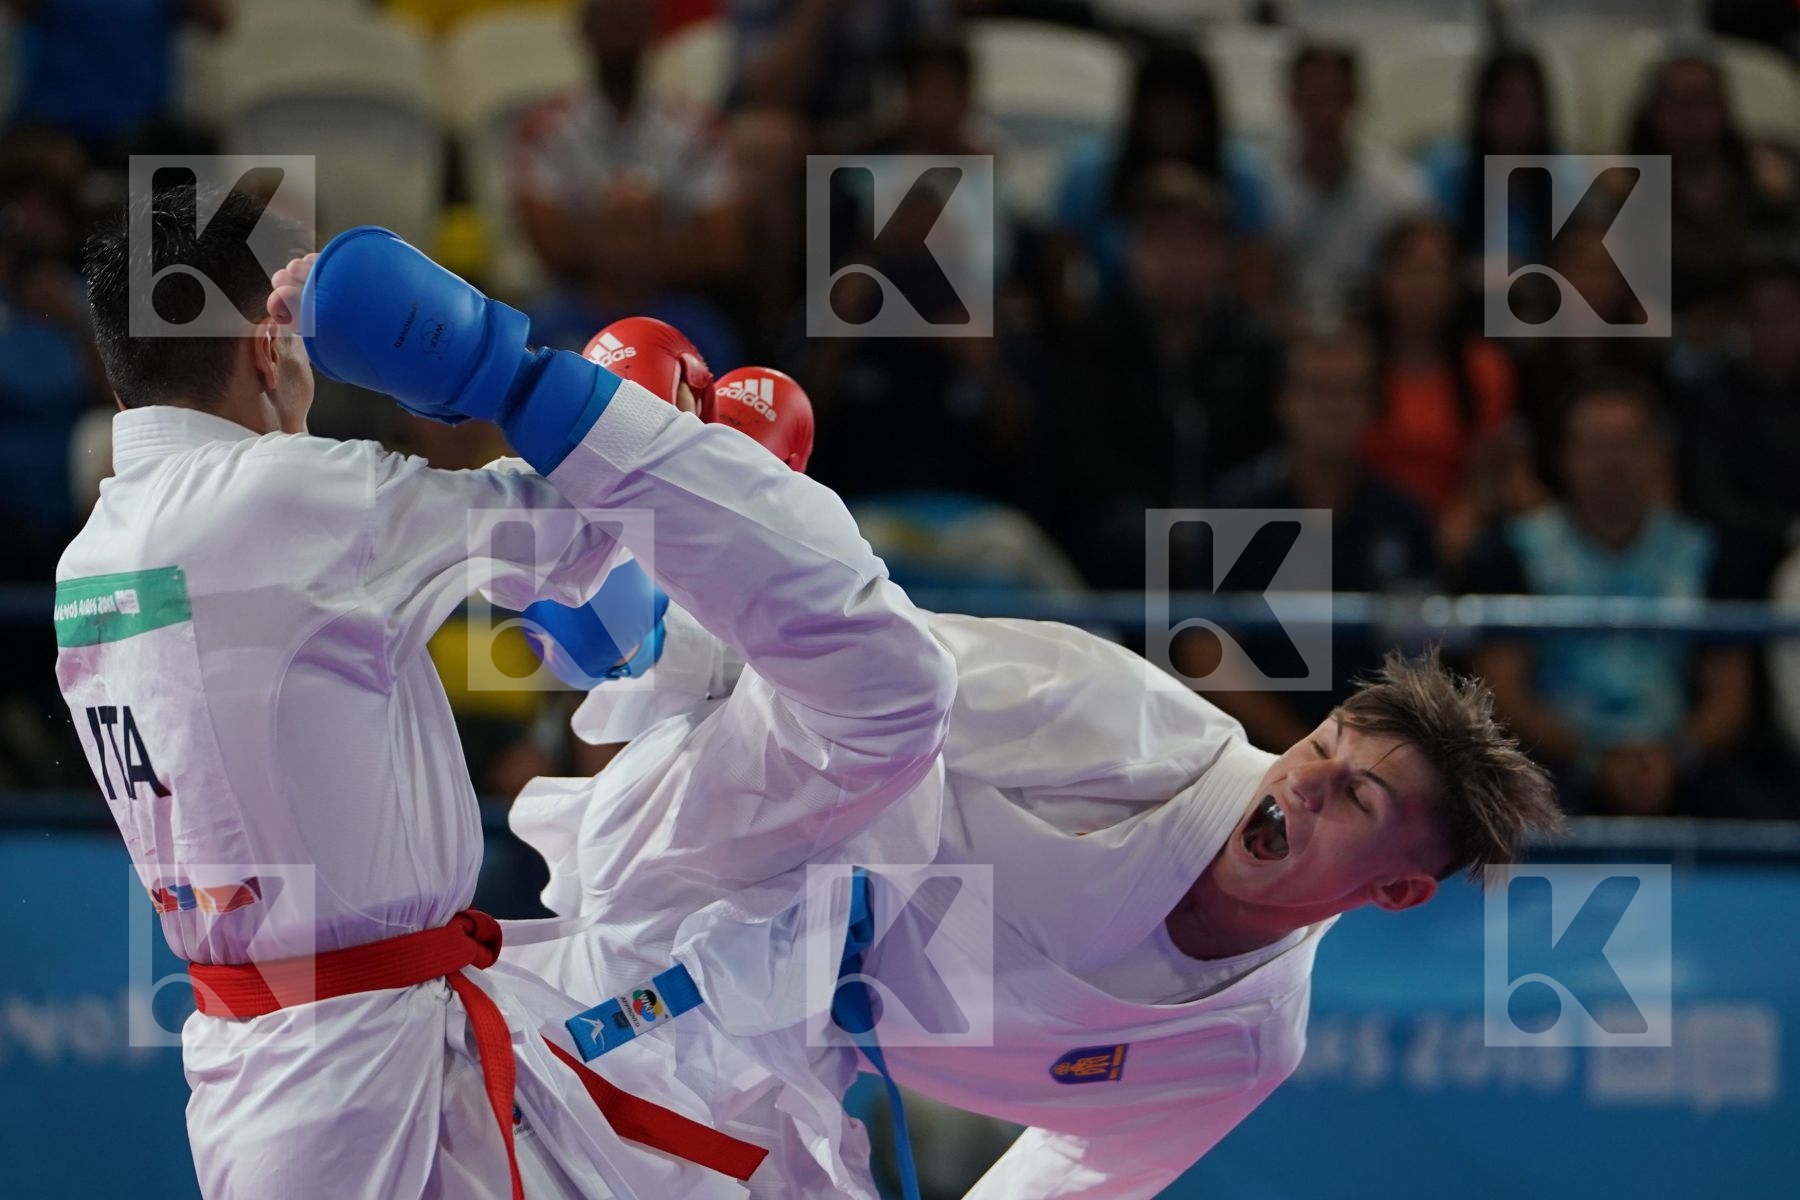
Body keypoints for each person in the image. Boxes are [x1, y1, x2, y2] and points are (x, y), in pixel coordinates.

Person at [333, 290, 1568, 1197]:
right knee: (890, 688)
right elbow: (850, 674)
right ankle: (605, 521)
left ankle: (656, 536)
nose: (1308, 782)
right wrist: (675, 631)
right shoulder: (1132, 731)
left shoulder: (1243, 1043)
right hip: (738, 833)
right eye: (1327, 749)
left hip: (794, 1039)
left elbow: (1082, 1176)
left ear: (1397, 890)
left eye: (1355, 800)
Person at [57, 186, 843, 1198]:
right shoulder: (288, 495)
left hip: (266, 1056)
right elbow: (568, 522)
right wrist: (676, 420)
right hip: (362, 1059)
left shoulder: (90, 559)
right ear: (266, 346)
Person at [1465, 374, 1758, 816]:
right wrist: (1591, 757)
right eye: (1596, 444)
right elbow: (1502, 690)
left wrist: (1672, 754)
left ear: (1658, 455)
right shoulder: (1512, 551)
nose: (1613, 460)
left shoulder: (1708, 553)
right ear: (1564, 456)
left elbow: (1730, 694)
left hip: (1675, 754)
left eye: (1628, 443)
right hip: (1555, 755)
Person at [1204, 324, 1440, 751]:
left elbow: (1421, 659)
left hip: (1377, 757)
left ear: (1374, 406)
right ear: (1284, 401)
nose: (1332, 406)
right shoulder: (1231, 509)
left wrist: (1366, 754)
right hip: (1252, 756)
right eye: (1316, 388)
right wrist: (1305, 749)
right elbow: (1202, 654)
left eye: (1350, 390)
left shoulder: (1407, 520)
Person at [1049, 163, 1283, 587]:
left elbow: (1268, 448)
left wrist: (1213, 514)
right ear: (1133, 249)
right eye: (1163, 241)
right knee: (1125, 538)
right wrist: (1163, 517)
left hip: (1230, 520)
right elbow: (1080, 453)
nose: (1179, 259)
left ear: (1220, 254)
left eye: (1194, 243)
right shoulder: (1095, 338)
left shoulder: (1253, 345)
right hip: (1124, 526)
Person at [511, 0, 745, 360]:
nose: (621, 31)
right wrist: (642, 245)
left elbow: (721, 247)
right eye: (610, 18)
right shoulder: (546, 129)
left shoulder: (695, 127)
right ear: (584, 30)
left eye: (632, 18)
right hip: (573, 304)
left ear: (654, 31)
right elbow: (549, 248)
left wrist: (621, 255)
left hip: (674, 305)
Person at [1358, 216, 1523, 568]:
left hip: (1450, 528)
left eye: (1434, 272)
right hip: (1365, 524)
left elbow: (1486, 473)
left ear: (1454, 284)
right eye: (1410, 270)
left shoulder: (1485, 368)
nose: (1422, 285)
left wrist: (1462, 519)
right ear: (1385, 279)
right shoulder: (1357, 364)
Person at [1256, 41, 1431, 323]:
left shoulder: (1400, 190)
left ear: (1357, 101)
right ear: (1290, 100)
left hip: (1376, 338)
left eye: (1334, 99)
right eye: (1313, 99)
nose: (1324, 116)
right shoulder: (1260, 187)